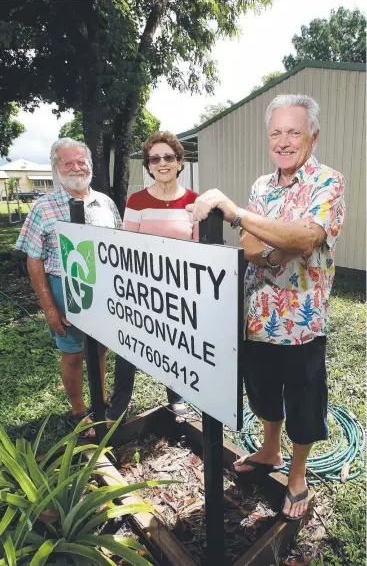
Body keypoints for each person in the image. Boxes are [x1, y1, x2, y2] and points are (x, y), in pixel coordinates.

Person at [186, 95, 345, 520]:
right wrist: (277, 248)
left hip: (301, 320)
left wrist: (245, 220)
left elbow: (307, 238)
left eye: (293, 131)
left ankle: (297, 475)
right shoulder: (261, 186)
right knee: (262, 394)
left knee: (303, 401)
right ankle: (269, 451)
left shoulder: (328, 182)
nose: (284, 141)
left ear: (313, 135)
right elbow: (250, 246)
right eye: (276, 132)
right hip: (256, 315)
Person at [16, 137, 123, 437]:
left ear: (89, 164)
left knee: (100, 348)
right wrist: (49, 307)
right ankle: (78, 411)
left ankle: (100, 400)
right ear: (56, 167)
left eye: (81, 161)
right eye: (68, 162)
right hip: (65, 289)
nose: (76, 167)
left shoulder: (105, 203)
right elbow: (34, 259)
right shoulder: (43, 207)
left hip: (103, 289)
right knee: (73, 353)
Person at [107, 131, 199, 424]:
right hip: (141, 291)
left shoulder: (194, 201)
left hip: (179, 291)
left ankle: (177, 399)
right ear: (148, 166)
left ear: (180, 162)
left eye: (168, 157)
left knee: (176, 344)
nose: (162, 163)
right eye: (155, 158)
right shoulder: (136, 201)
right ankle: (117, 409)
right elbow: (126, 249)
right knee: (129, 350)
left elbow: (198, 251)